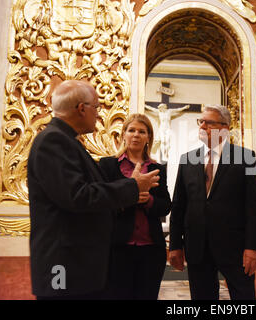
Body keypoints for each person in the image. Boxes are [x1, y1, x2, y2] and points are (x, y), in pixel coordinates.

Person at [27, 80, 160, 300]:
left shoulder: (67, 140)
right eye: (96, 108)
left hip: (76, 263)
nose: (98, 115)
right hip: (63, 264)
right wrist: (133, 187)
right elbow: (78, 196)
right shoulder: (54, 140)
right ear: (81, 108)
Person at [169, 105, 256, 300]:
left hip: (235, 247)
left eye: (209, 122)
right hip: (197, 246)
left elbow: (254, 206)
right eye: (200, 121)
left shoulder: (246, 158)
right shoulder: (188, 160)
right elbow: (179, 205)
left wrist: (253, 247)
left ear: (225, 128)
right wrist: (175, 245)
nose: (202, 126)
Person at [98, 114, 171, 299]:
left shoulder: (157, 168)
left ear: (148, 138)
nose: (136, 135)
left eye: (142, 131)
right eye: (131, 130)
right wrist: (129, 197)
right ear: (124, 134)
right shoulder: (108, 165)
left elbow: (165, 206)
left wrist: (148, 201)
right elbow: (101, 204)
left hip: (151, 250)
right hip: (117, 249)